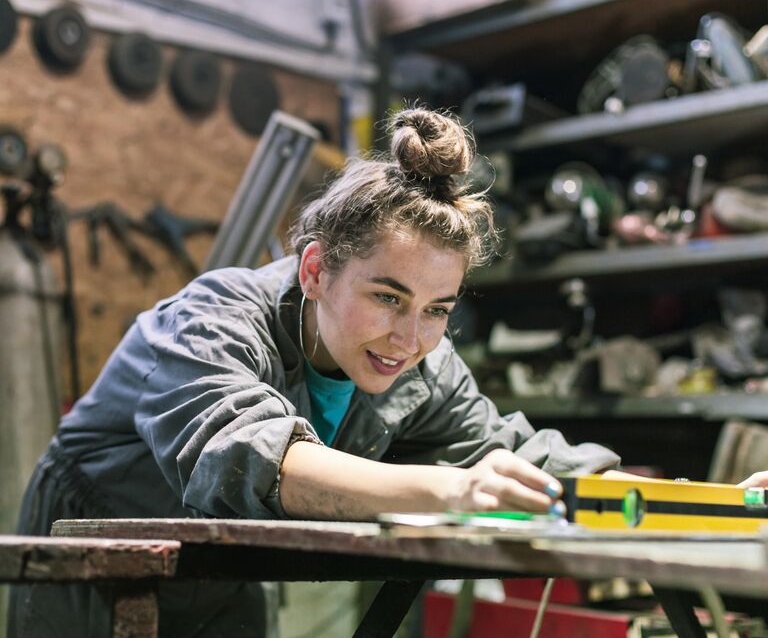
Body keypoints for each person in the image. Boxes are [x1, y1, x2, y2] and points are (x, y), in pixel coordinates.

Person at [9, 106, 622, 637]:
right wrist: (455, 492)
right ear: (314, 272)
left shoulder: (424, 367)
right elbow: (252, 459)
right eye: (387, 297)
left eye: (437, 309)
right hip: (92, 563)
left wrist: (642, 497)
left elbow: (507, 453)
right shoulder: (210, 320)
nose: (409, 340)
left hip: (222, 570)